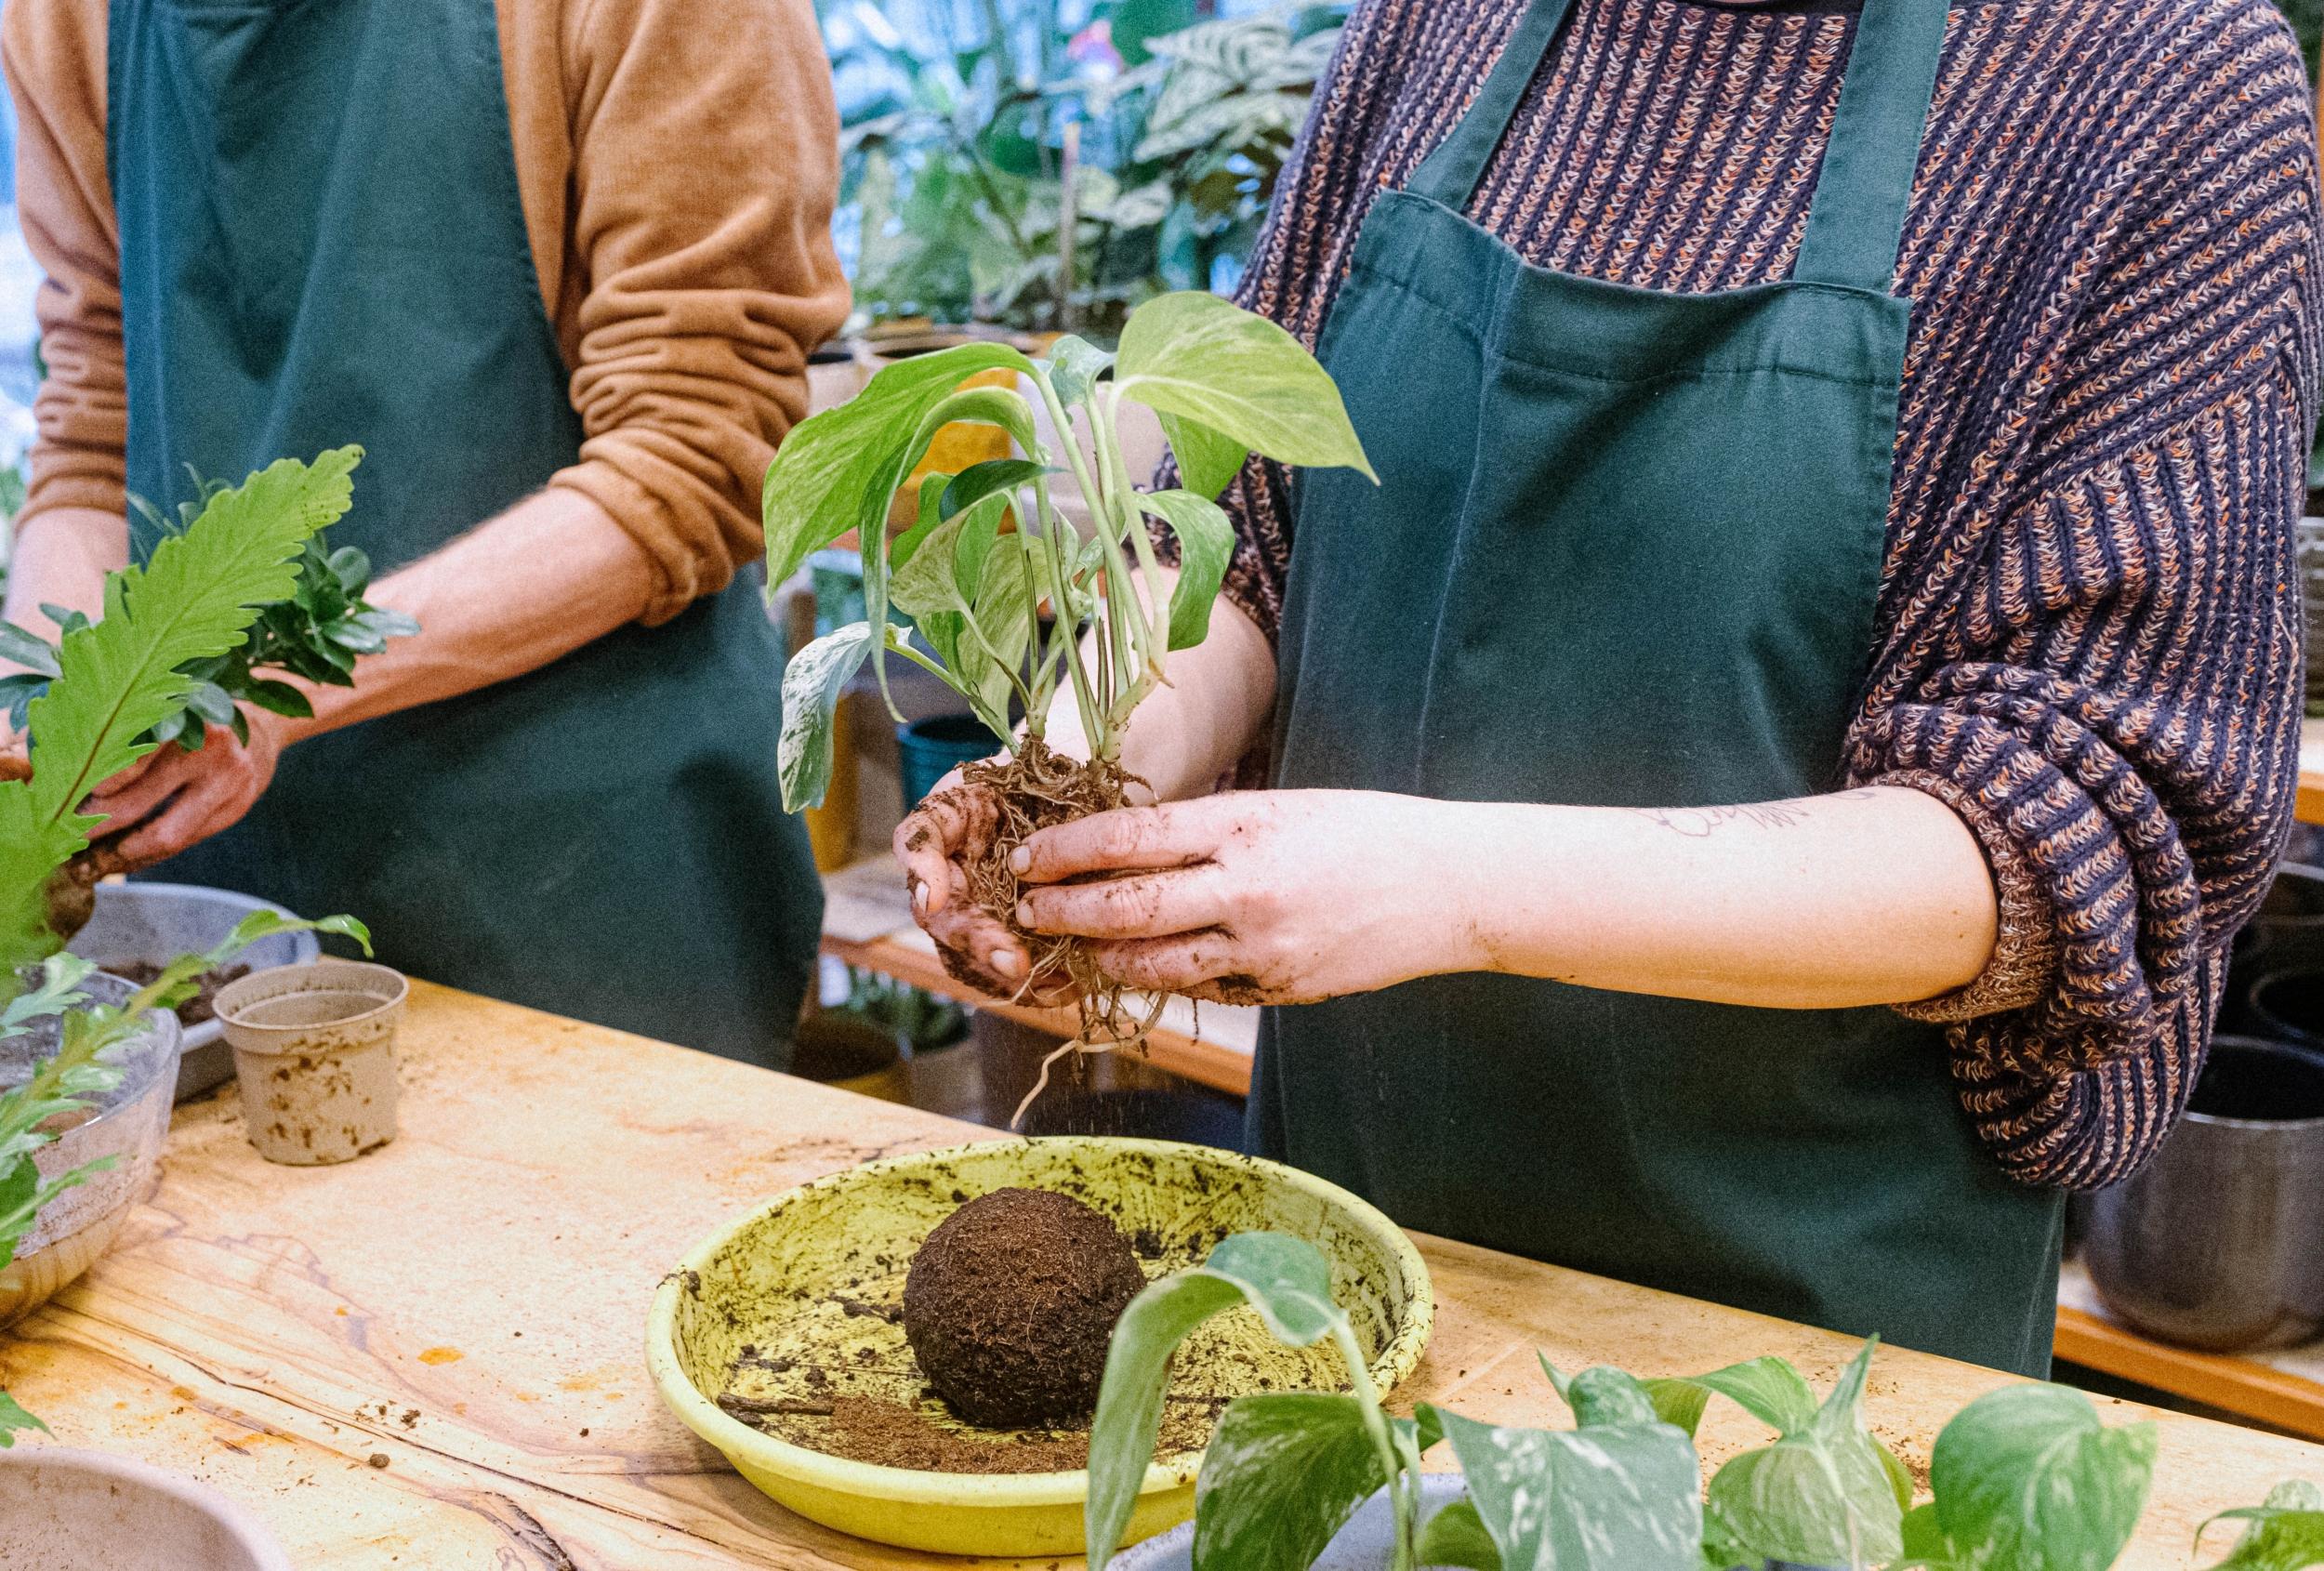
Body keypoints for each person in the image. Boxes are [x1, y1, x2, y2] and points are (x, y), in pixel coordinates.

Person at [899, 0, 2322, 1376]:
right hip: (1333, 1272)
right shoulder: (1437, 20)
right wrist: (1100, 768)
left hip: (1790, 1354)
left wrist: (1445, 884)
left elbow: (2072, 830)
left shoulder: (2162, 79)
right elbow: (1251, 529)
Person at [0, 0, 849, 1065]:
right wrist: (42, 710)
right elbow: (93, 438)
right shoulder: (64, 19)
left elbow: (695, 447)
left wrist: (271, 694)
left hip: (582, 884)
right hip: (231, 903)